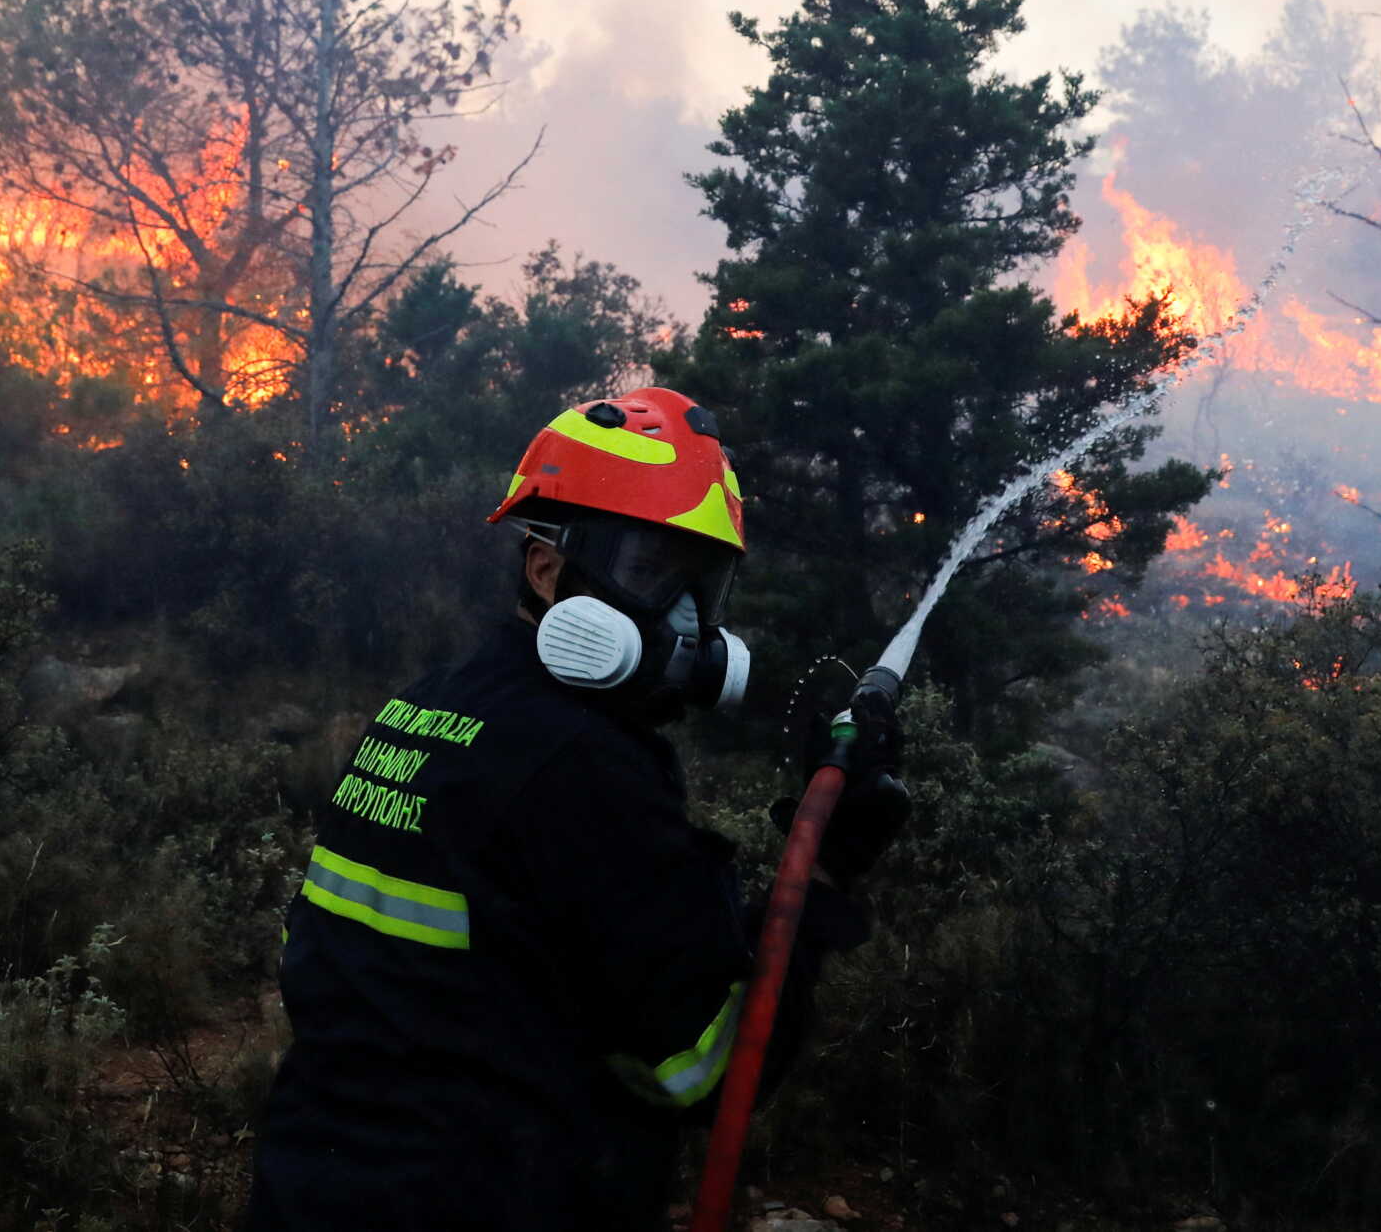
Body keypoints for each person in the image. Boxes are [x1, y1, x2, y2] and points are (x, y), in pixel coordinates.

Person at [244, 385, 906, 1232]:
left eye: (703, 585)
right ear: (546, 564)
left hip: (314, 1190)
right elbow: (703, 1069)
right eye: (651, 572)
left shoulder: (430, 703)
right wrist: (827, 871)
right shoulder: (585, 765)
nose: (688, 623)